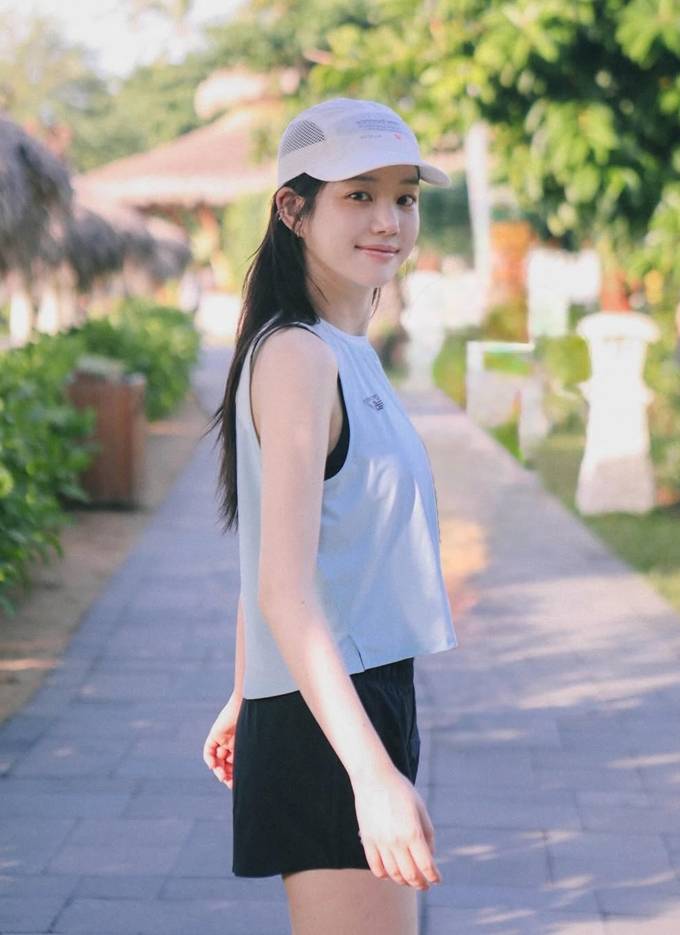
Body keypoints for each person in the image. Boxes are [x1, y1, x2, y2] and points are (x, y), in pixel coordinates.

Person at [200, 97, 459, 935]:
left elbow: (286, 550)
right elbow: (284, 586)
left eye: (404, 196)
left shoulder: (342, 348)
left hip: (346, 694)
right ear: (293, 208)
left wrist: (248, 688)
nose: (389, 219)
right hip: (334, 718)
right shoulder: (298, 356)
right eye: (358, 195)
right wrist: (370, 776)